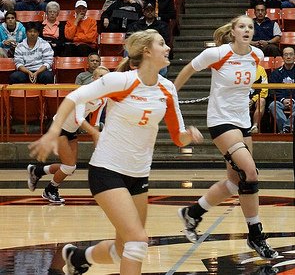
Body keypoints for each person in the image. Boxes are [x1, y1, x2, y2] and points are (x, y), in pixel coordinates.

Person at [29, 29, 203, 275]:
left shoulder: (167, 89)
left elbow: (178, 137)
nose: (167, 49)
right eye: (162, 44)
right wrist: (52, 132)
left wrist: (190, 135)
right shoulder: (120, 81)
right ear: (147, 51)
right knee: (138, 241)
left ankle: (79, 257)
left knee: (124, 248)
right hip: (107, 170)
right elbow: (74, 97)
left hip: (139, 174)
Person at [174, 16, 279, 259]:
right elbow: (189, 68)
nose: (247, 30)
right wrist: (170, 93)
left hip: (242, 121)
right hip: (221, 121)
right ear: (233, 32)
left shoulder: (257, 56)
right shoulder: (218, 54)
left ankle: (192, 213)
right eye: (242, 26)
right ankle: (256, 235)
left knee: (234, 182)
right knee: (251, 173)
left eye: (250, 27)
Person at [28, 66, 110, 204]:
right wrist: (94, 132)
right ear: (94, 78)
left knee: (70, 168)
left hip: (72, 131)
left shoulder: (104, 98)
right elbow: (79, 119)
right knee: (69, 166)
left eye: (106, 77)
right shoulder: (83, 92)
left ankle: (37, 171)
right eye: (100, 76)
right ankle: (50, 190)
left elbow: (95, 123)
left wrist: (98, 150)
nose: (103, 80)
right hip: (58, 128)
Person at [268, 46, 295, 133]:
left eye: (291, 54)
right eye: (286, 55)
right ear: (282, 57)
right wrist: (283, 100)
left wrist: (292, 100)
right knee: (273, 105)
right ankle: (288, 128)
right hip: (280, 101)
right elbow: (272, 90)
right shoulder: (276, 73)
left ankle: (285, 128)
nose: (288, 57)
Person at [249, 64, 269, 134]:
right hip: (242, 97)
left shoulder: (261, 69)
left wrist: (253, 100)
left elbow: (264, 90)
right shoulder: (239, 68)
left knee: (262, 101)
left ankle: (254, 126)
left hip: (257, 96)